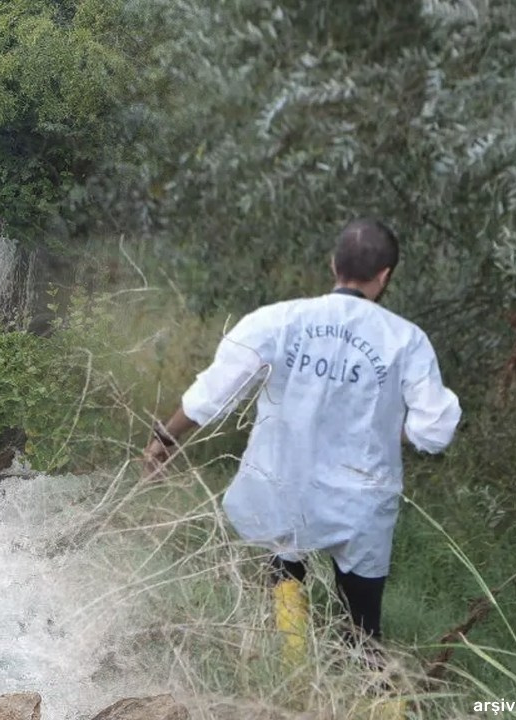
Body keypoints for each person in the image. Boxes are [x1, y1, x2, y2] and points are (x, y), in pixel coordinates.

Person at [143, 218, 461, 658]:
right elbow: (435, 431)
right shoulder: (406, 340)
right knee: (365, 630)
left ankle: (292, 678)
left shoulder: (279, 320)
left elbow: (212, 395)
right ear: (385, 275)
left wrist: (165, 438)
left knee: (285, 576)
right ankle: (375, 698)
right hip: (361, 502)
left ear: (333, 264)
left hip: (284, 486)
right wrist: (390, 427)